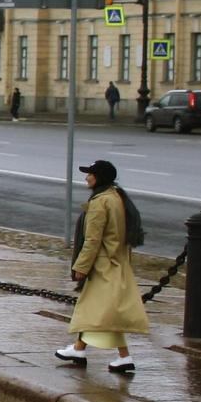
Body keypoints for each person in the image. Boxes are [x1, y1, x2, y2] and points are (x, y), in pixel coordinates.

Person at [57, 159, 147, 375]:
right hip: (117, 262)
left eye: (91, 174)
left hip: (103, 265)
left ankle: (85, 351)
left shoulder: (100, 202)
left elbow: (92, 239)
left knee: (93, 310)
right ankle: (98, 352)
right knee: (100, 312)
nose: (87, 178)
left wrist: (81, 266)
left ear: (100, 178)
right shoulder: (117, 197)